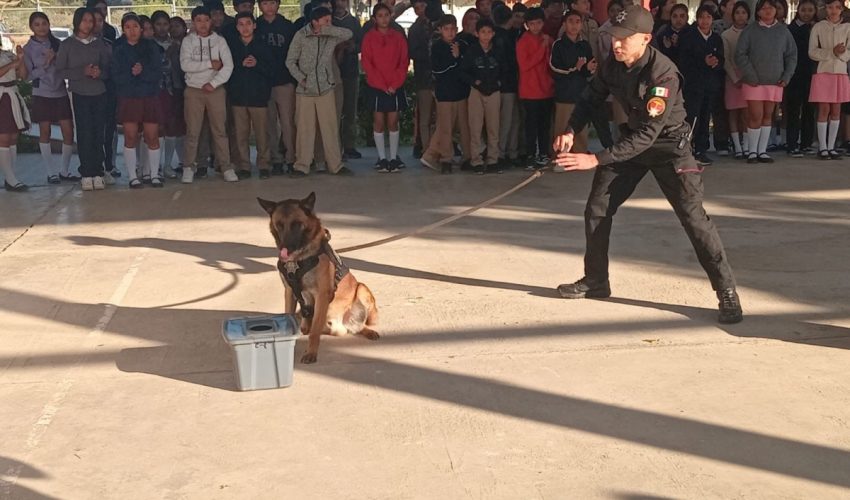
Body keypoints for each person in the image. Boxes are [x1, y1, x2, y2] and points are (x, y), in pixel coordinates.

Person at [552, 5, 743, 325]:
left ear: (645, 39)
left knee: (694, 220)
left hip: (670, 148)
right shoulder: (613, 64)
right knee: (597, 208)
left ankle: (726, 291)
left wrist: (595, 158)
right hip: (633, 145)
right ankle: (596, 280)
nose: (616, 44)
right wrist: (571, 130)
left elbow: (649, 134)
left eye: (624, 39)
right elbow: (590, 97)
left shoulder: (662, 73)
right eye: (613, 36)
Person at [286, 6, 354, 176]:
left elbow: (348, 34)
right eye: (325, 21)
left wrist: (329, 29)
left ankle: (336, 165)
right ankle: (302, 165)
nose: (329, 24)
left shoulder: (331, 35)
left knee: (330, 127)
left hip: (325, 88)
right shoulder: (301, 35)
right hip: (305, 90)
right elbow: (290, 61)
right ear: (314, 21)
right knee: (304, 129)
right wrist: (301, 78)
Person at [55, 7, 111, 192]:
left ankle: (98, 171)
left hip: (99, 93)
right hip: (79, 93)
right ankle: (86, 172)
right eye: (84, 20)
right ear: (77, 21)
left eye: (91, 21)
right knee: (85, 133)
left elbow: (108, 69)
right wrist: (82, 72)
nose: (88, 24)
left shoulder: (99, 44)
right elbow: (60, 70)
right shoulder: (68, 45)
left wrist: (99, 73)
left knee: (98, 133)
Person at [179, 5, 237, 184]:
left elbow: (228, 66)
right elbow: (185, 65)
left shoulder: (219, 41)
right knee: (193, 131)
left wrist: (213, 83)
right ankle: (189, 166)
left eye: (206, 20)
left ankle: (226, 167)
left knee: (219, 130)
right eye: (198, 21)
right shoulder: (188, 41)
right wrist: (209, 64)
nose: (203, 24)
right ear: (193, 22)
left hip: (215, 90)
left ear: (211, 21)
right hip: (193, 90)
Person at [734, 0, 797, 163]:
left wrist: (787, 76)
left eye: (771, 7)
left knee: (768, 115)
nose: (768, 10)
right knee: (755, 115)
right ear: (758, 12)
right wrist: (750, 75)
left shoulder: (783, 31)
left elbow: (791, 55)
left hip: (775, 81)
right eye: (764, 8)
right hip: (754, 81)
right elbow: (740, 54)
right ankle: (752, 151)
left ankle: (762, 151)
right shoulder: (750, 30)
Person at [112, 14, 164, 189]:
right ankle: (133, 176)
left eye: (135, 26)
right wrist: (131, 73)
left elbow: (158, 72)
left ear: (141, 29)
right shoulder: (119, 50)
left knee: (152, 136)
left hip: (149, 95)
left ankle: (155, 174)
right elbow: (116, 76)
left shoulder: (151, 47)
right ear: (123, 30)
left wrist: (143, 71)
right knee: (130, 136)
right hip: (129, 96)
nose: (132, 30)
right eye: (127, 27)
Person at [24, 12, 76, 184]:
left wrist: (57, 60)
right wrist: (46, 63)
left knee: (68, 131)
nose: (41, 27)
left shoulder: (58, 44)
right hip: (42, 93)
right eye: (37, 24)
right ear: (31, 27)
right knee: (44, 131)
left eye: (44, 23)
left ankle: (64, 170)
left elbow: (67, 66)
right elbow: (29, 76)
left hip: (60, 91)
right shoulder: (28, 49)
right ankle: (50, 171)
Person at [419, 14, 472, 174]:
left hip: (461, 92)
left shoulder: (461, 44)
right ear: (440, 30)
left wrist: (459, 56)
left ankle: (467, 157)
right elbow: (438, 69)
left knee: (464, 127)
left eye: (453, 29)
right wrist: (455, 59)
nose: (450, 32)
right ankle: (446, 159)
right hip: (444, 94)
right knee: (446, 127)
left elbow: (467, 66)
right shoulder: (437, 47)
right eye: (446, 29)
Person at [361, 3, 409, 173]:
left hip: (395, 86)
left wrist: (394, 84)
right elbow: (367, 63)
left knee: (393, 122)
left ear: (391, 16)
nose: (383, 18)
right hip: (376, 87)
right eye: (380, 15)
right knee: (379, 122)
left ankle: (394, 158)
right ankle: (382, 158)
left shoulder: (398, 36)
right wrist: (382, 85)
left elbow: (404, 62)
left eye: (386, 15)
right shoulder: (368, 38)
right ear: (374, 18)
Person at [227, 12, 275, 179]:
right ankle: (244, 166)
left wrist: (257, 64)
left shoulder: (263, 45)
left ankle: (264, 165)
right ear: (236, 27)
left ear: (254, 25)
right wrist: (240, 65)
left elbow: (272, 70)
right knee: (241, 134)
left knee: (262, 134)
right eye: (241, 24)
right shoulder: (231, 46)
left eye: (248, 23)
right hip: (238, 96)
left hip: (259, 96)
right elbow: (226, 70)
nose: (245, 27)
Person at [679, 5, 725, 166]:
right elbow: (683, 61)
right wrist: (702, 61)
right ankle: (685, 149)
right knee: (692, 117)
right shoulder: (689, 36)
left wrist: (716, 63)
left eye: (708, 17)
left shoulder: (716, 39)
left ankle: (701, 149)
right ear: (697, 18)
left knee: (705, 118)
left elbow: (721, 59)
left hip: (710, 85)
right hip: (693, 85)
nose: (705, 21)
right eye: (701, 17)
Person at [460, 17, 506, 174]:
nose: (486, 35)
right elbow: (463, 72)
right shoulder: (472, 51)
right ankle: (476, 160)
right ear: (476, 33)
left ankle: (493, 160)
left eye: (488, 32)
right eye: (482, 32)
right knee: (475, 127)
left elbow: (506, 71)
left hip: (494, 92)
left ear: (493, 33)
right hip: (476, 92)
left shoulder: (498, 51)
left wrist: (499, 83)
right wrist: (475, 82)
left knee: (494, 127)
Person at [256, 0, 297, 175]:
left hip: (284, 80)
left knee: (288, 123)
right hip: (263, 83)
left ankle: (291, 159)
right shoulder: (256, 26)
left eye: (272, 3)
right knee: (269, 125)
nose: (269, 7)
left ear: (278, 4)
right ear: (259, 5)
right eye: (265, 3)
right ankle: (275, 159)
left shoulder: (287, 26)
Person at [808, 0, 850, 160]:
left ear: (842, 9)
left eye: (837, 7)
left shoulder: (847, 27)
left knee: (836, 110)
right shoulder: (819, 27)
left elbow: (848, 52)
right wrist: (831, 52)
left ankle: (832, 146)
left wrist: (841, 53)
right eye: (831, 7)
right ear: (825, 8)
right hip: (823, 71)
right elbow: (812, 52)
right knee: (824, 109)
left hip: (840, 72)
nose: (834, 10)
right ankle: (823, 147)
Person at [550, 10, 595, 155]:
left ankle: (580, 155)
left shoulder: (585, 45)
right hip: (564, 94)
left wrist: (589, 68)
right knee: (562, 128)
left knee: (581, 127)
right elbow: (555, 69)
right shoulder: (558, 45)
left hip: (581, 93)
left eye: (577, 21)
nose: (574, 25)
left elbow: (589, 69)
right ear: (564, 24)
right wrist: (575, 69)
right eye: (570, 21)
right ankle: (560, 157)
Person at [517, 7, 554, 170]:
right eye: (532, 24)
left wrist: (546, 45)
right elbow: (525, 65)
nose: (535, 27)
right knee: (531, 126)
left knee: (544, 125)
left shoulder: (548, 39)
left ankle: (544, 154)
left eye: (538, 23)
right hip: (530, 91)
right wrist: (542, 48)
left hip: (546, 89)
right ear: (526, 25)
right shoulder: (523, 42)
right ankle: (530, 155)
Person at [784, 0, 816, 157]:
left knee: (810, 110)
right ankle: (791, 144)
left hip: (812, 75)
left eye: (810, 10)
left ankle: (806, 143)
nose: (807, 13)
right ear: (798, 10)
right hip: (794, 75)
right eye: (804, 10)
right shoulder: (790, 29)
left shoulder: (816, 28)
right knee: (793, 110)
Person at [333, 0, 364, 161]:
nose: (341, 3)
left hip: (351, 71)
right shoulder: (329, 19)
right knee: (335, 111)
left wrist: (351, 47)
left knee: (350, 111)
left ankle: (350, 146)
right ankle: (335, 147)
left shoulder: (353, 22)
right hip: (333, 73)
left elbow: (361, 44)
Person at [721, 1, 751, 159]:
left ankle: (746, 146)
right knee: (733, 112)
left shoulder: (753, 33)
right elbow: (725, 59)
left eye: (744, 12)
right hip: (731, 77)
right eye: (738, 12)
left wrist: (748, 75)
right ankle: (737, 146)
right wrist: (734, 77)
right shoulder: (726, 35)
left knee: (746, 113)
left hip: (749, 76)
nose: (741, 15)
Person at [494, 3, 521, 167]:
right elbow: (509, 62)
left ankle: (509, 152)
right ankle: (503, 153)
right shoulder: (506, 37)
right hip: (508, 84)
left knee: (510, 119)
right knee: (507, 120)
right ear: (510, 18)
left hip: (505, 84)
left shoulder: (496, 36)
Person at [408, 0, 434, 158]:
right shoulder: (414, 29)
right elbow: (412, 52)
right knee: (424, 118)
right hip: (423, 78)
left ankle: (439, 148)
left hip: (441, 79)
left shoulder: (438, 24)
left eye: (422, 6)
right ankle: (426, 149)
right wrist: (430, 53)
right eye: (417, 8)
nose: (420, 11)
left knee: (441, 118)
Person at [0, 45, 28, 192]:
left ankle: (10, 177)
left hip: (12, 94)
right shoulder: (9, 59)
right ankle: (10, 178)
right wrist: (12, 64)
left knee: (12, 137)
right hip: (1, 95)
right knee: (3, 138)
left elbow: (22, 76)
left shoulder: (7, 54)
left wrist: (21, 60)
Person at [164, 16, 187, 176]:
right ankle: (167, 164)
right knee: (172, 126)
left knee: (184, 127)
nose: (174, 29)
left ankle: (184, 161)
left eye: (177, 25)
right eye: (170, 26)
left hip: (189, 87)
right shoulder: (167, 46)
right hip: (171, 89)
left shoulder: (191, 42)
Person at [654, 3, 688, 67]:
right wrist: (667, 48)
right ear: (670, 17)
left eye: (682, 16)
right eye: (675, 16)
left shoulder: (691, 33)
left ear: (687, 18)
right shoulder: (663, 32)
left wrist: (678, 44)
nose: (678, 19)